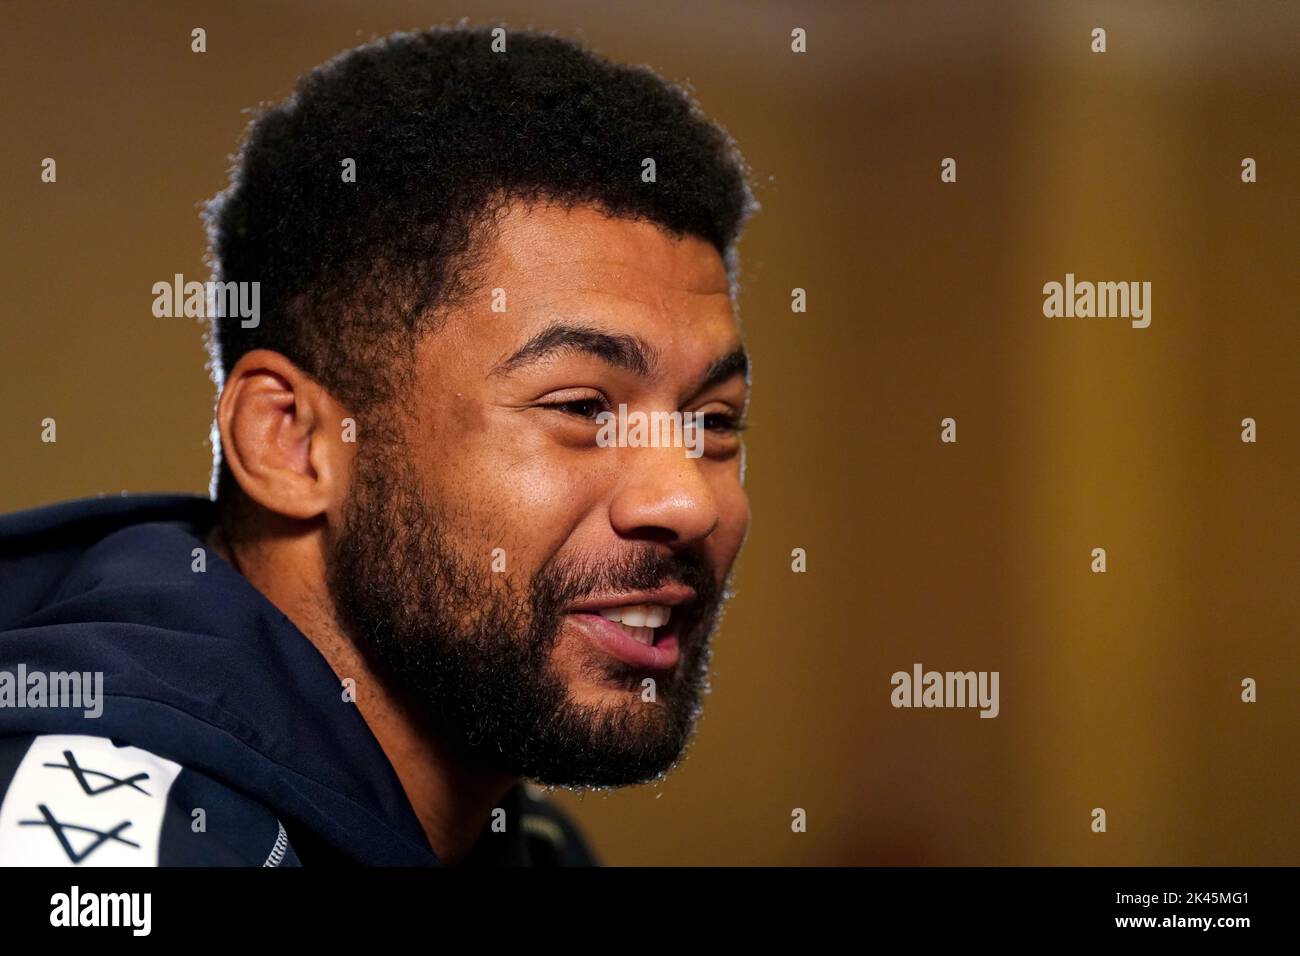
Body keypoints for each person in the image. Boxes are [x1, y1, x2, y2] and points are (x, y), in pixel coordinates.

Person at [0, 25, 755, 866]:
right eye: (582, 405)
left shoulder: (531, 845)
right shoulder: (116, 840)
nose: (688, 500)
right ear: (291, 442)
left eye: (714, 421)